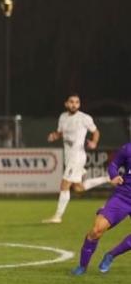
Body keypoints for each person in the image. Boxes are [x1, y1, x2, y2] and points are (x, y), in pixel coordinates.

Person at [71, 142, 131, 275]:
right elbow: (113, 165)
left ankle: (111, 255)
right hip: (124, 196)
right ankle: (82, 266)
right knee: (96, 230)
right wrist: (114, 175)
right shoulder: (128, 149)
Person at [43, 94, 101, 224]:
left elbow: (96, 132)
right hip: (68, 157)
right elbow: (60, 132)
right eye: (71, 102)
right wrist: (54, 136)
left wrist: (94, 142)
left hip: (77, 156)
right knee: (78, 188)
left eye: (77, 102)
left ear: (79, 105)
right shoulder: (63, 117)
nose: (74, 104)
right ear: (66, 104)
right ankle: (107, 178)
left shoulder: (84, 118)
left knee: (64, 185)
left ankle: (57, 216)